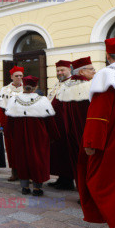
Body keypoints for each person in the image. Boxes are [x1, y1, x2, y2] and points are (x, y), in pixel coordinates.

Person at [78, 37, 115, 228]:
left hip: (111, 143)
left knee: (104, 185)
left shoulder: (107, 75)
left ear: (108, 56)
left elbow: (99, 115)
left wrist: (91, 143)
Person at [5, 76, 59, 196]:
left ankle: (24, 187)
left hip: (20, 137)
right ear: (36, 87)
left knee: (22, 159)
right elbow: (50, 121)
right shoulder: (43, 100)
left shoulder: (14, 100)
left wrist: (9, 134)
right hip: (39, 137)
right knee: (38, 160)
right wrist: (54, 136)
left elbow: (9, 123)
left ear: (23, 86)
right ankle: (37, 188)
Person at [57, 56, 96, 187]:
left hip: (72, 134)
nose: (94, 71)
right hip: (88, 135)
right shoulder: (90, 87)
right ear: (81, 72)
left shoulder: (65, 87)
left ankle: (82, 190)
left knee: (77, 160)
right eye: (91, 69)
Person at [47, 60, 75, 190]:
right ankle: (61, 178)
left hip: (65, 125)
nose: (59, 73)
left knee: (66, 152)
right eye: (58, 70)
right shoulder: (57, 84)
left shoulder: (73, 84)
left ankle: (68, 180)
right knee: (58, 153)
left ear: (69, 69)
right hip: (55, 124)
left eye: (62, 70)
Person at [0, 66, 24, 181]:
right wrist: (3, 124)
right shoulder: (4, 90)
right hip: (9, 122)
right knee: (11, 148)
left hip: (23, 122)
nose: (19, 78)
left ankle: (25, 172)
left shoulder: (27, 88)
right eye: (16, 76)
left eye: (20, 76)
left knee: (24, 148)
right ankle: (14, 172)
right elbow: (1, 108)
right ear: (11, 77)